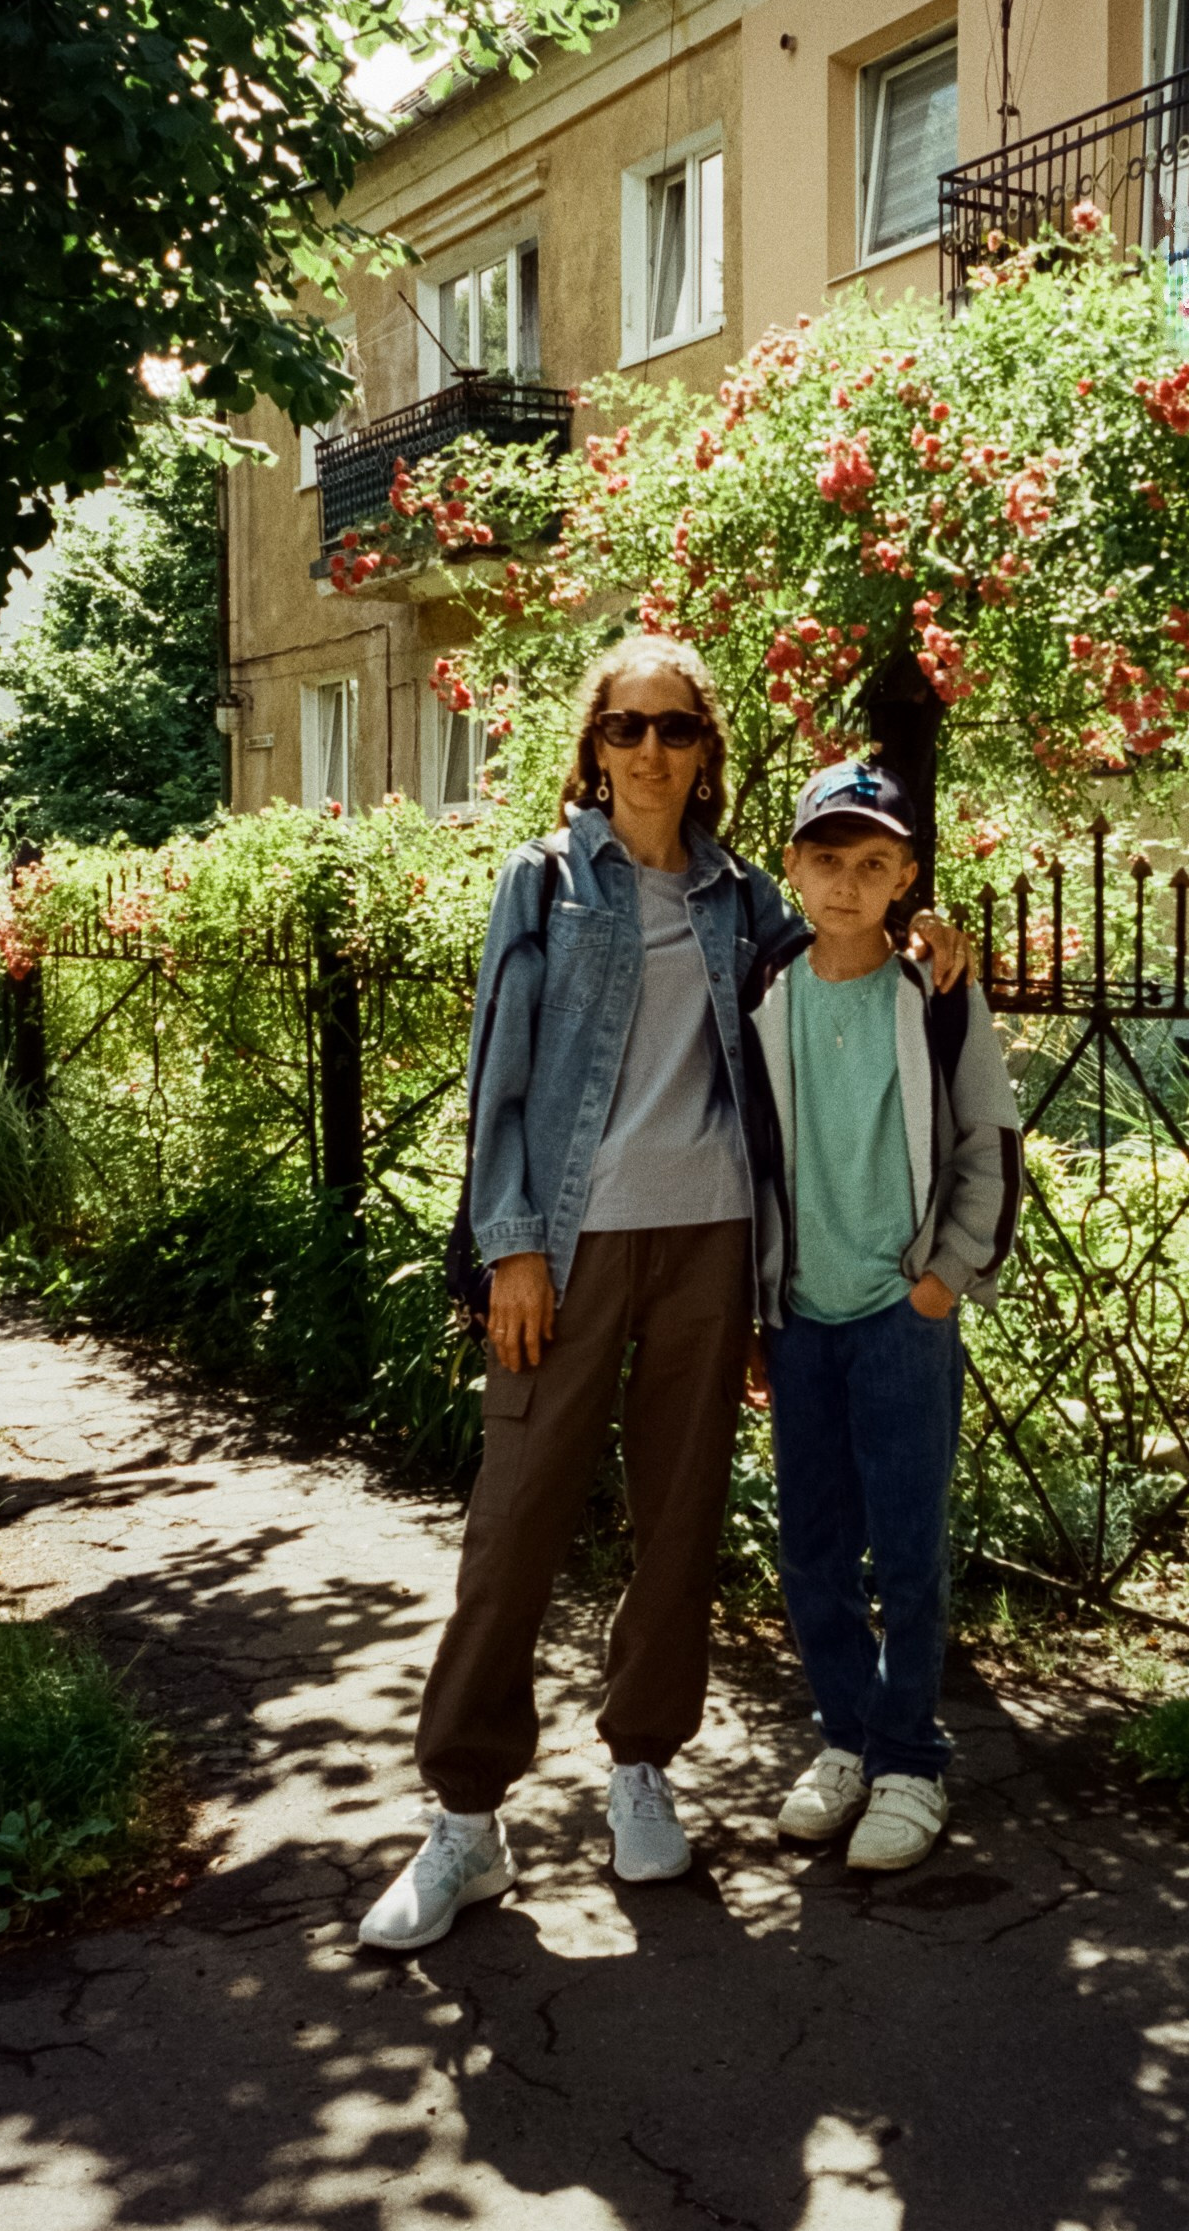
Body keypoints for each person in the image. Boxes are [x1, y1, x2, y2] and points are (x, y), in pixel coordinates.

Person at [359, 640, 971, 1952]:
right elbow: (499, 1079)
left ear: (705, 753)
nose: (649, 751)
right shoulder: (541, 884)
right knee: (514, 1519)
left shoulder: (742, 897)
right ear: (593, 748)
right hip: (568, 1248)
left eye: (675, 729)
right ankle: (467, 1816)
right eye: (627, 728)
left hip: (709, 1246)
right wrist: (510, 1242)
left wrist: (920, 926)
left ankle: (642, 1764)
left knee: (679, 1521)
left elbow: (839, 946)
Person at [746, 759, 1021, 1874]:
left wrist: (943, 1279)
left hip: (901, 1315)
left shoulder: (937, 993)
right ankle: (847, 1739)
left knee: (906, 1547)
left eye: (873, 863)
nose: (847, 882)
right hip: (799, 1317)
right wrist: (748, 1302)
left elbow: (987, 1146)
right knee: (809, 1547)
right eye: (827, 859)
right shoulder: (763, 984)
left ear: (907, 875)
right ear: (793, 870)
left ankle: (910, 1757)